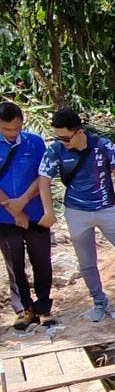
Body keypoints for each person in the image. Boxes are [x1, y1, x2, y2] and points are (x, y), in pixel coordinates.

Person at [38, 108, 115, 321]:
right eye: (58, 137)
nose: (63, 142)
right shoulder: (55, 151)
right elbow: (44, 181)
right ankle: (99, 301)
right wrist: (49, 211)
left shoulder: (103, 145)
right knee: (87, 262)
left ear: (79, 132)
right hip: (76, 212)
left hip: (107, 209)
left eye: (66, 137)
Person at [0, 101, 53, 329]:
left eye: (17, 128)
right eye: (7, 130)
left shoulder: (35, 142)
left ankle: (43, 306)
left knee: (42, 261)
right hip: (4, 216)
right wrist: (12, 208)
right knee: (14, 263)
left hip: (35, 213)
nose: (13, 134)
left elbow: (43, 176)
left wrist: (22, 203)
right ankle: (24, 309)